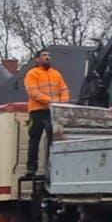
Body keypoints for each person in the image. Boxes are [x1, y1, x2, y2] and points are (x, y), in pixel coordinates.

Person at [23, 48, 69, 176]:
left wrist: (63, 103)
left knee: (52, 139)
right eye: (44, 55)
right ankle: (31, 167)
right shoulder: (32, 74)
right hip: (37, 111)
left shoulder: (56, 74)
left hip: (52, 111)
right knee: (34, 139)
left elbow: (64, 89)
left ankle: (51, 167)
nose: (47, 57)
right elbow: (33, 92)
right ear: (37, 59)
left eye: (48, 55)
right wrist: (51, 101)